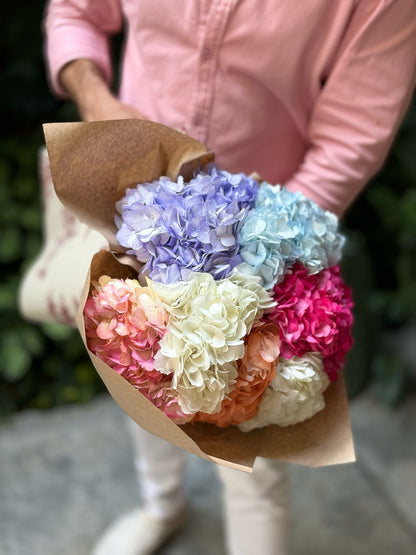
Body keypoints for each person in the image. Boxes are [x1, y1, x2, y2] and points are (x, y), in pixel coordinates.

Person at [43, 1, 416, 554]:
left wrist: (263, 253)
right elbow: (74, 12)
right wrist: (97, 102)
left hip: (261, 245)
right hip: (126, 209)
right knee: (132, 368)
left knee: (250, 444)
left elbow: (352, 137)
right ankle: (161, 505)